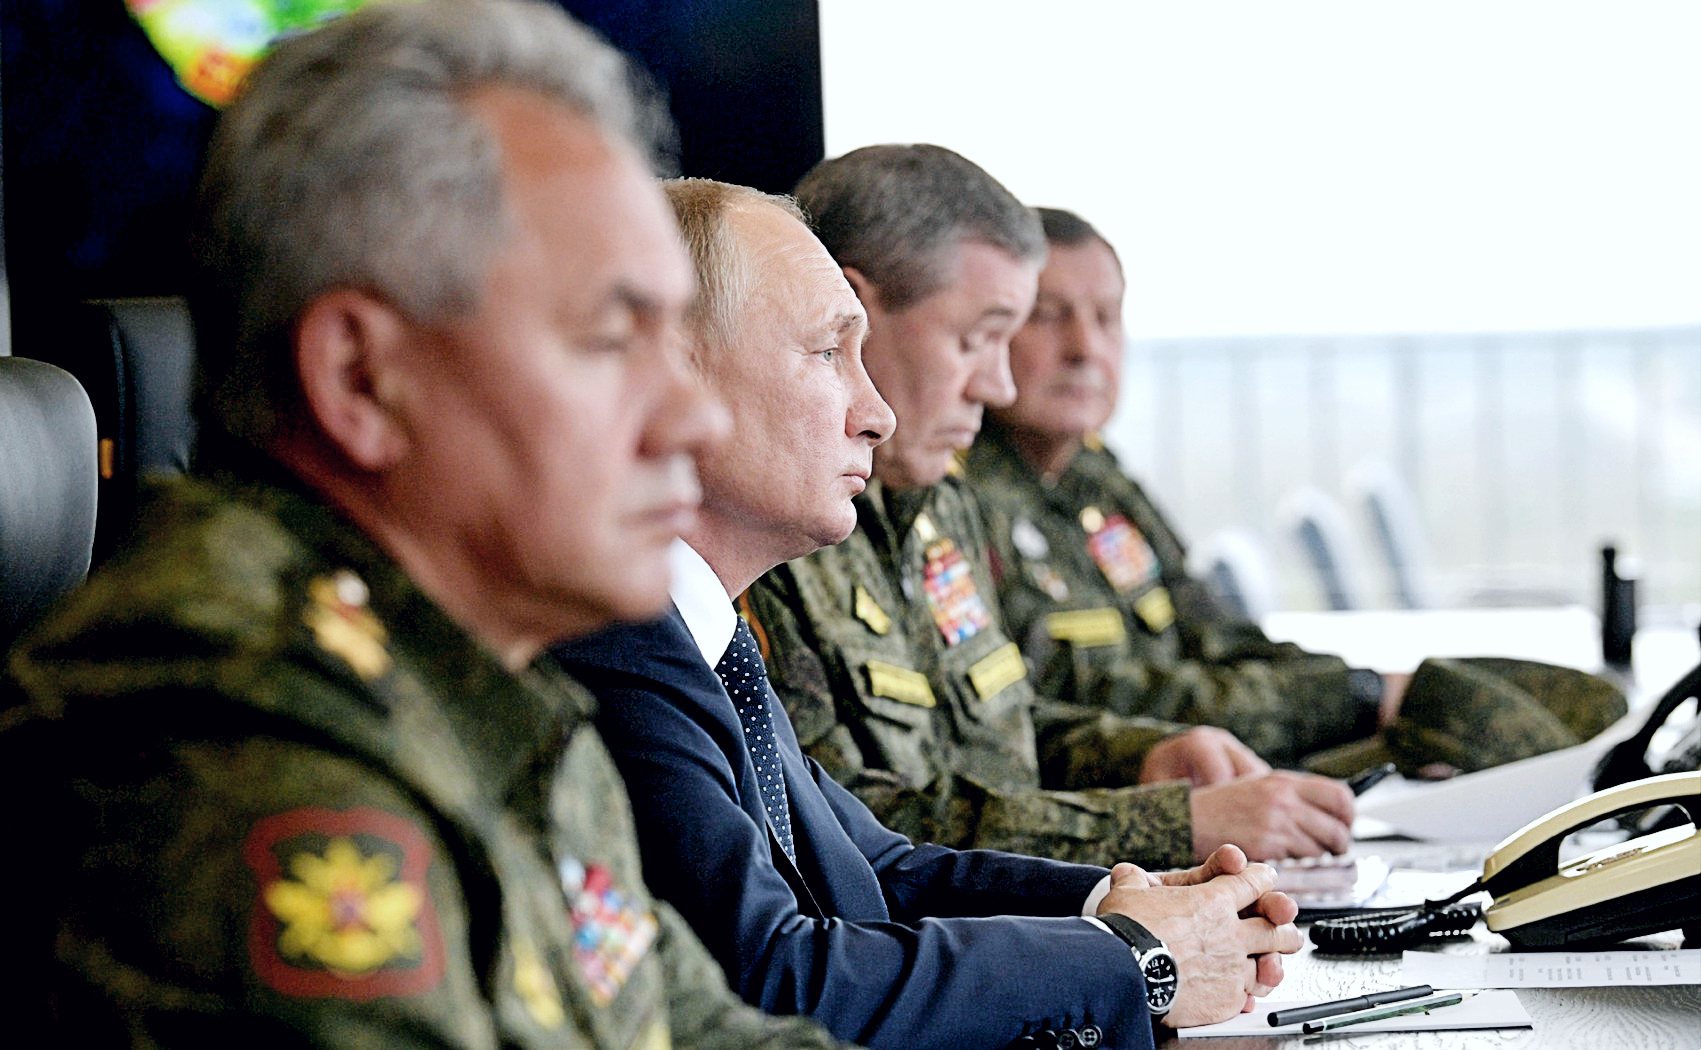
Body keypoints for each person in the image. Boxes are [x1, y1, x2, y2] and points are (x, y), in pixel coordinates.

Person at [0, 4, 857, 1047]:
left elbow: (700, 1029)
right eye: (609, 340)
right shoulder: (240, 753)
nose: (691, 417)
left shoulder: (484, 679)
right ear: (363, 379)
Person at [555, 179, 1301, 1050]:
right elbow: (771, 977)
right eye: (826, 354)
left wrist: (1120, 903)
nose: (876, 414)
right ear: (670, 381)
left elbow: (877, 869)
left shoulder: (700, 638)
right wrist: (1131, 959)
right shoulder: (615, 647)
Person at [748, 144, 1359, 866]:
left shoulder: (936, 507)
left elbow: (993, 736)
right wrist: (1165, 824)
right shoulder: (772, 530)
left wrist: (1144, 756)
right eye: (976, 339)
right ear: (851, 317)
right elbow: (846, 837)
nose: (998, 385)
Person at [964, 207, 1629, 777]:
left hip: (1226, 760)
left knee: (1581, 715)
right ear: (990, 332)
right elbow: (1074, 700)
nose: (1085, 347)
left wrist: (1367, 695)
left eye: (1107, 318)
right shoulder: (959, 495)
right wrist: (1355, 701)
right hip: (1144, 789)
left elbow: (1222, 637)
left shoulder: (1095, 478)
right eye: (1047, 317)